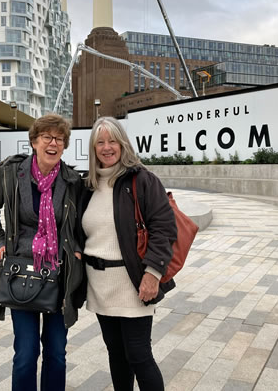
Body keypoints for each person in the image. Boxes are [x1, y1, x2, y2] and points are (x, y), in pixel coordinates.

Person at [0, 114, 84, 391]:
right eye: (47, 137)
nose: (53, 143)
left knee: (56, 355)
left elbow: (81, 224)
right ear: (34, 141)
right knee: (26, 355)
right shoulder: (11, 174)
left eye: (59, 139)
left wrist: (76, 249)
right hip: (20, 275)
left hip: (59, 277)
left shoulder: (72, 181)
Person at [78, 116, 177, 391]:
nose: (107, 147)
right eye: (100, 142)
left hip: (133, 283)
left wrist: (153, 274)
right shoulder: (88, 187)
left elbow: (164, 229)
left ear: (123, 144)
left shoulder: (142, 180)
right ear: (93, 148)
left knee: (139, 355)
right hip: (100, 285)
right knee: (116, 355)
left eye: (112, 141)